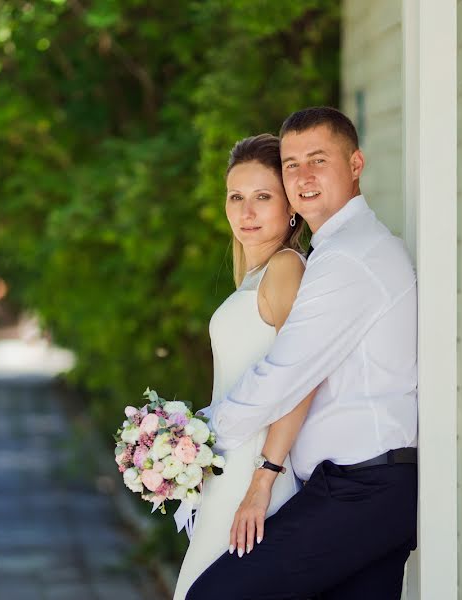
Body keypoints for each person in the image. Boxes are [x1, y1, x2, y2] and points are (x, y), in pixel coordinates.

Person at [187, 107, 418, 600]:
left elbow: (286, 374)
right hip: (353, 486)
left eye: (318, 160)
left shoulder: (349, 258)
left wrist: (196, 439)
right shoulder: (334, 252)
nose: (302, 176)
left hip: (363, 488)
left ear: (355, 164)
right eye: (291, 163)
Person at [173, 134, 319, 599]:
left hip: (254, 478)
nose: (246, 211)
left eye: (263, 197)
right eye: (236, 197)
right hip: (226, 472)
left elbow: (302, 379)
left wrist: (263, 481)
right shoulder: (253, 276)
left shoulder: (286, 269)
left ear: (290, 206)